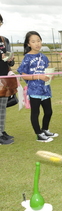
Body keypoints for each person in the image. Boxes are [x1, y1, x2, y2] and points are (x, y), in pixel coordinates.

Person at [17, 31, 58, 142]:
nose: (37, 43)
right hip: (34, 89)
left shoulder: (44, 57)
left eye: (39, 40)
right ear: (28, 44)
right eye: (33, 41)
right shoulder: (27, 57)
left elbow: (46, 71)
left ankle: (45, 130)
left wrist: (50, 75)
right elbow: (23, 75)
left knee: (48, 111)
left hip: (45, 89)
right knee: (35, 112)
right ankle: (39, 134)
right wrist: (38, 77)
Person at [0, 14, 15, 145]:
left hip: (4, 78)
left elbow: (10, 63)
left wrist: (10, 59)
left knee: (3, 107)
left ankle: (1, 131)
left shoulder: (4, 40)